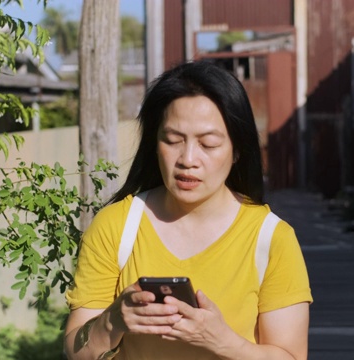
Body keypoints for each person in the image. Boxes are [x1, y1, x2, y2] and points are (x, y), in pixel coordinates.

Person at [64, 60, 312, 360]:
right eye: (172, 140)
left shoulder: (272, 239)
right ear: (154, 144)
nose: (188, 159)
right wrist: (112, 321)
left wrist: (223, 341)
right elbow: (75, 351)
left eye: (208, 144)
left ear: (237, 151)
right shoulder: (115, 226)